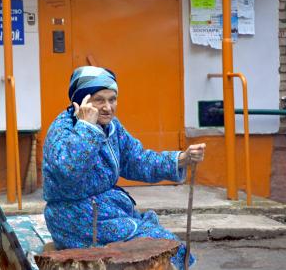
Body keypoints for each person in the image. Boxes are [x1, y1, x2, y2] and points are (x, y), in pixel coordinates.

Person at [42, 66, 206, 270]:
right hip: (75, 217)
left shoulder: (112, 127)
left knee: (167, 245)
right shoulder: (63, 130)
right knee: (157, 242)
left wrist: (181, 159)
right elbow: (68, 172)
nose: (108, 107)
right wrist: (86, 128)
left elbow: (136, 160)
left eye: (112, 99)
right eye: (99, 99)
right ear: (81, 101)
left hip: (106, 210)